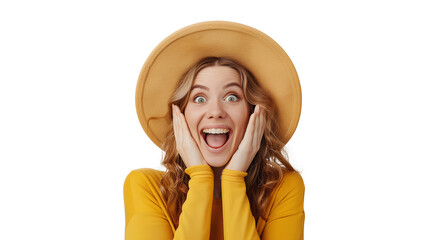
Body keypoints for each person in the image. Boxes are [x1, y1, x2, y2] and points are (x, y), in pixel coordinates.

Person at [124, 21, 305, 240]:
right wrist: (200, 178)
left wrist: (233, 180)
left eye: (232, 97)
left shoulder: (283, 189)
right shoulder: (146, 187)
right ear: (179, 116)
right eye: (199, 98)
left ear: (253, 113)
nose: (216, 111)